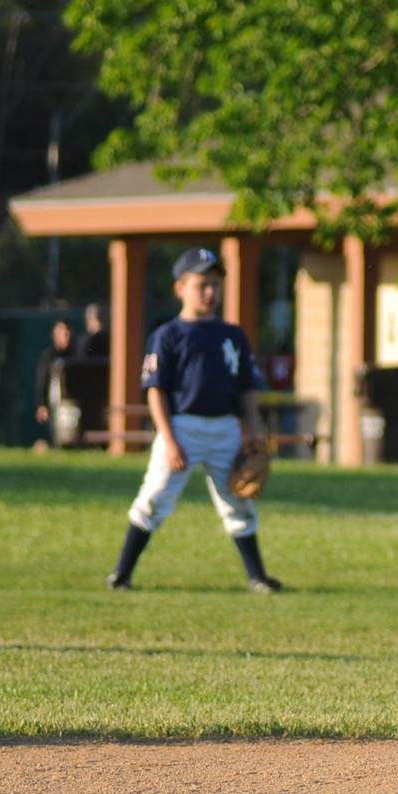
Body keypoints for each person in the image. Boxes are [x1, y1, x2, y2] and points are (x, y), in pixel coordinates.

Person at [105, 248, 282, 594]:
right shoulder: (168, 335)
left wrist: (251, 429)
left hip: (226, 427)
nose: (210, 292)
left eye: (215, 284)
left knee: (239, 500)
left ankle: (257, 577)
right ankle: (122, 574)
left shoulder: (232, 335)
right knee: (155, 496)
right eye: (202, 284)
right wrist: (169, 439)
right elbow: (156, 391)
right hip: (181, 427)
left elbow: (247, 388)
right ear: (180, 289)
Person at [34, 317, 75, 427]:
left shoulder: (75, 354)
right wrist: (42, 404)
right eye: (62, 331)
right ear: (55, 334)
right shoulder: (49, 356)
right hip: (56, 405)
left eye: (68, 331)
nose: (66, 334)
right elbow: (42, 380)